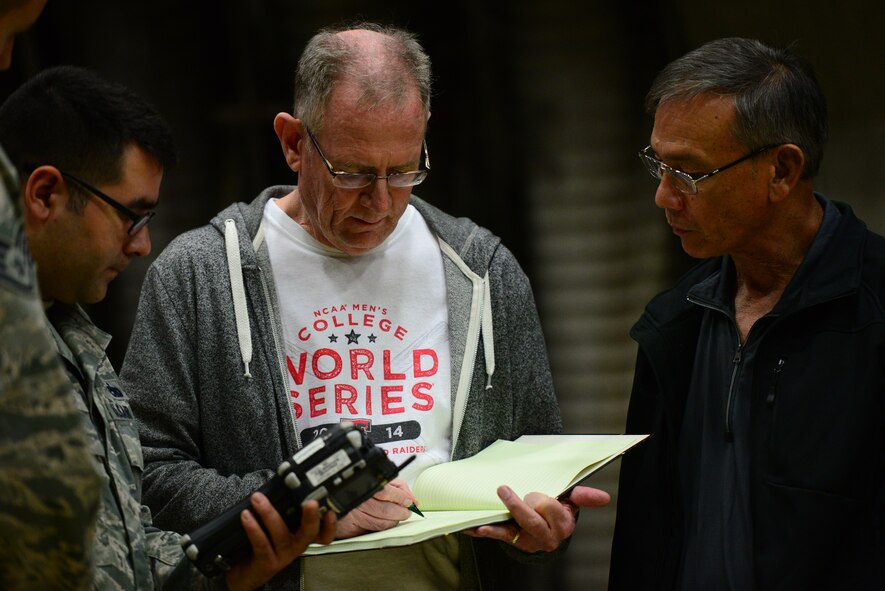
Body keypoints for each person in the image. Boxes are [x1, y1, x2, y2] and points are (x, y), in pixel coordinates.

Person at [120, 22, 610, 591]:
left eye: (403, 171)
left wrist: (544, 532)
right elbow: (144, 478)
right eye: (352, 173)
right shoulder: (198, 275)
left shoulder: (483, 271)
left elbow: (537, 475)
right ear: (293, 143)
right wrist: (306, 511)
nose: (380, 203)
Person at [0, 65, 338, 591]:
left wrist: (228, 570)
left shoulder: (70, 337)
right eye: (132, 217)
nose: (141, 246)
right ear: (45, 194)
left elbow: (119, 551)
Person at [609, 37, 885, 590]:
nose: (664, 196)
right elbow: (645, 541)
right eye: (658, 165)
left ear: (782, 171)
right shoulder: (675, 323)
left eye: (688, 172)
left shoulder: (874, 315)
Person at [0, 1, 102, 589]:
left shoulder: (80, 330)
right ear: (42, 196)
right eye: (7, 30)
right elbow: (41, 487)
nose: (8, 57)